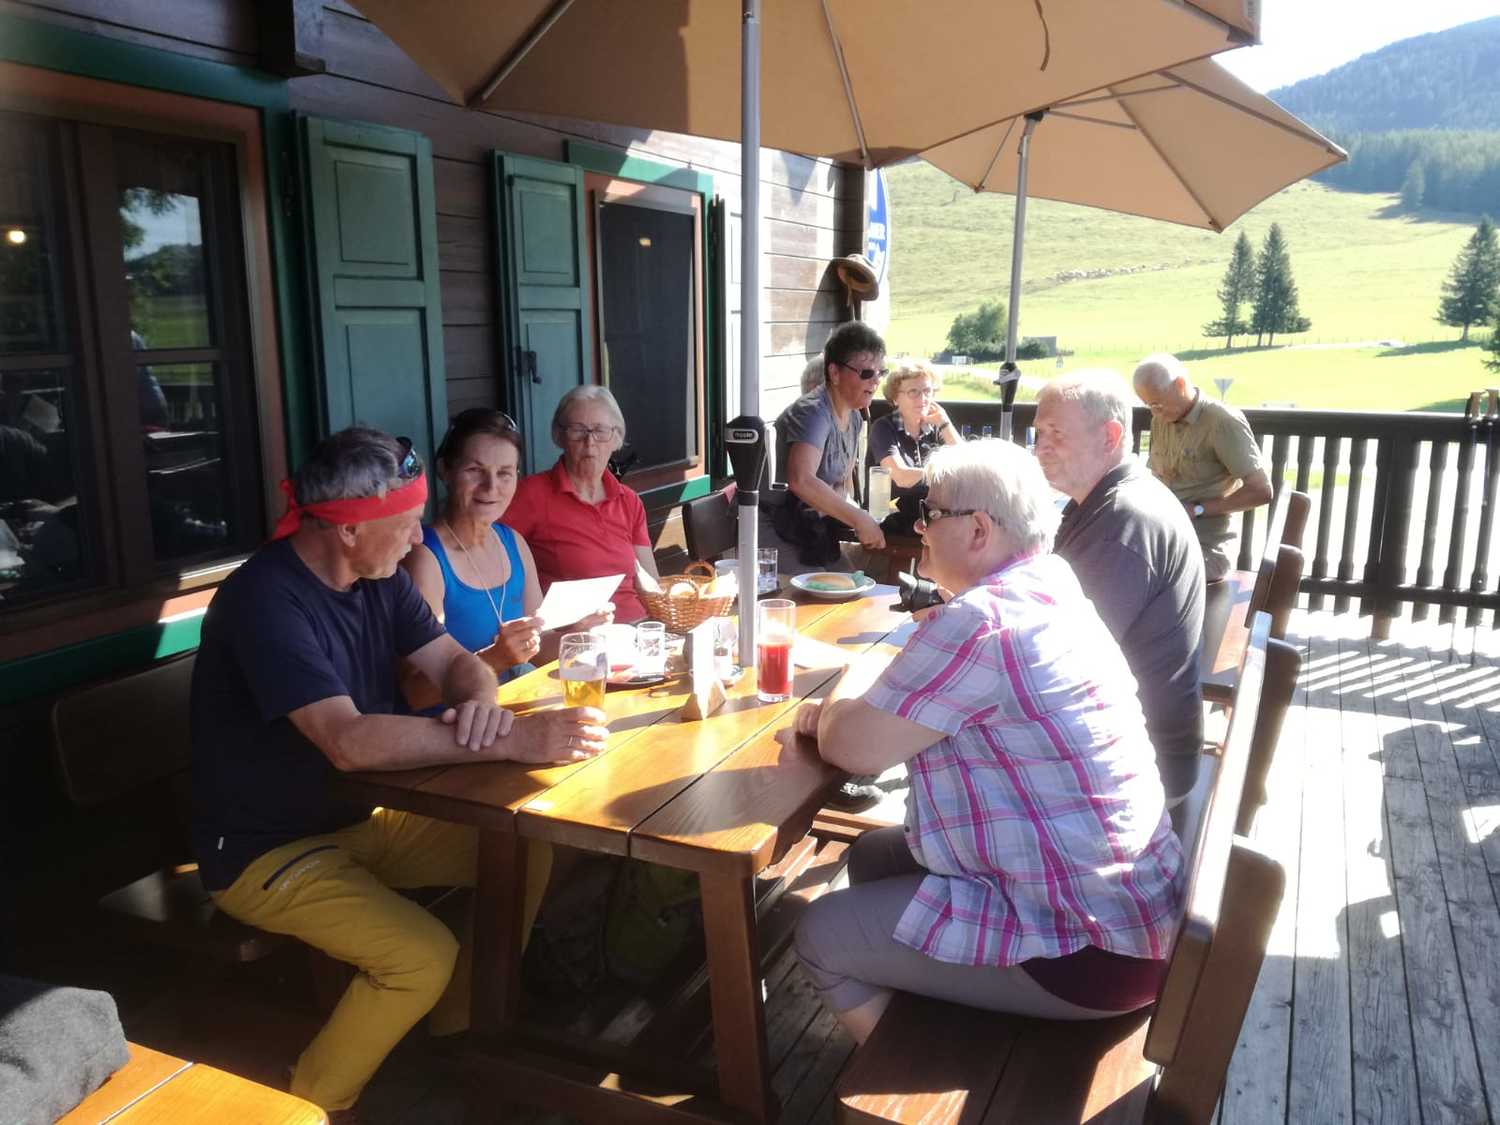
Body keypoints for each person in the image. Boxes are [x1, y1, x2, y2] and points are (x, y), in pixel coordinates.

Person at [190, 426, 608, 1120]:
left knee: (524, 848)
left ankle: (457, 1030)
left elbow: (458, 663)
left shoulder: (377, 579)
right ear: (349, 529)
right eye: (408, 521)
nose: (419, 537)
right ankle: (311, 1103)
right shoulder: (264, 599)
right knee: (420, 954)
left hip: (361, 820)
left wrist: (482, 708)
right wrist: (508, 742)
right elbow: (348, 741)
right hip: (262, 851)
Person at [791, 440, 1184, 1045]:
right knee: (872, 859)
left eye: (931, 512)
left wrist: (841, 690)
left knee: (820, 933)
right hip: (1135, 909)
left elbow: (853, 749)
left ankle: (914, 1070)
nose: (919, 526)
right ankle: (932, 999)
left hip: (1090, 954)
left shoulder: (981, 621)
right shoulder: (1049, 583)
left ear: (978, 529)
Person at [1034, 371, 1204, 804]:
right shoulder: (1112, 499)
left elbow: (1054, 659)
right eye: (1039, 433)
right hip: (1131, 746)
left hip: (1136, 769)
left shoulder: (1124, 521)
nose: (1040, 448)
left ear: (1109, 436)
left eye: (1056, 433)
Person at [401, 409, 612, 695]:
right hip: (457, 719)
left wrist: (577, 634)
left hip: (515, 708)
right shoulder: (425, 557)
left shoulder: (513, 542)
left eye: (504, 473)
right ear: (445, 471)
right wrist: (495, 659)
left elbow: (538, 647)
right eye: (475, 471)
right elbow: (413, 692)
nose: (491, 487)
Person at [503, 386, 659, 623]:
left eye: (600, 431)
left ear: (616, 438)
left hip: (638, 628)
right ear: (559, 436)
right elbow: (492, 562)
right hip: (575, 635)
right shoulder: (531, 495)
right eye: (578, 430)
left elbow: (651, 583)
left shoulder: (628, 501)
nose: (590, 442)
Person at [1133, 354, 1272, 582]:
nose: (1154, 413)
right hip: (1164, 537)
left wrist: (1197, 509)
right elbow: (1158, 477)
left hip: (1205, 547)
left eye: (1157, 404)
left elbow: (1261, 491)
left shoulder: (1222, 422)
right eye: (1148, 406)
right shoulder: (1160, 420)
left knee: (1141, 579)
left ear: (1180, 385)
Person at [767, 321, 888, 571]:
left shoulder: (855, 417)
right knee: (831, 589)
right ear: (834, 373)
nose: (875, 381)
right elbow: (801, 480)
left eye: (881, 373)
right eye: (867, 373)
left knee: (856, 583)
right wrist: (859, 519)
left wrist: (865, 520)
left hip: (810, 530)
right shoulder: (813, 412)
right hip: (774, 528)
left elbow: (840, 488)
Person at [866, 360, 960, 535]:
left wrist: (945, 423)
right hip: (892, 518)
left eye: (927, 391)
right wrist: (945, 475)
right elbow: (901, 476)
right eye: (913, 392)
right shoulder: (884, 428)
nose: (923, 399)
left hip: (930, 515)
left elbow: (967, 463)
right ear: (895, 398)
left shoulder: (934, 427)